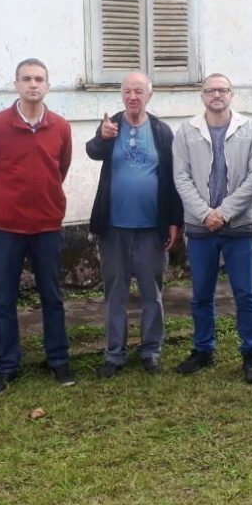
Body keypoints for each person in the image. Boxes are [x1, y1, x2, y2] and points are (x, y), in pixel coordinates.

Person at [0, 58, 74, 395]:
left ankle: (58, 359)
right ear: (16, 84)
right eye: (26, 79)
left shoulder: (61, 126)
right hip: (6, 227)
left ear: (48, 85)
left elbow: (60, 169)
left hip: (47, 224)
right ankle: (6, 365)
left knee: (52, 296)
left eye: (39, 79)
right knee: (4, 299)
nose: (33, 84)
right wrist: (8, 199)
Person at [86, 73, 183, 377]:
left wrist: (174, 222)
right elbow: (93, 152)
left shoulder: (161, 131)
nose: (132, 96)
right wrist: (103, 138)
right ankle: (114, 354)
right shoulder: (111, 125)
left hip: (151, 228)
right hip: (114, 227)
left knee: (151, 292)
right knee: (115, 293)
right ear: (121, 95)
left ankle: (151, 351)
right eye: (127, 91)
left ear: (149, 96)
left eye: (139, 91)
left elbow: (173, 179)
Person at [173, 74, 252, 384]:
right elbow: (181, 178)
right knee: (201, 293)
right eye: (210, 90)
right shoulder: (186, 132)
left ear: (231, 94)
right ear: (202, 96)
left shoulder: (250, 130)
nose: (217, 95)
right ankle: (203, 350)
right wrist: (205, 214)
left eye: (222, 90)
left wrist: (224, 213)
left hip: (239, 225)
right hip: (200, 228)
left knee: (246, 293)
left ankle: (251, 353)